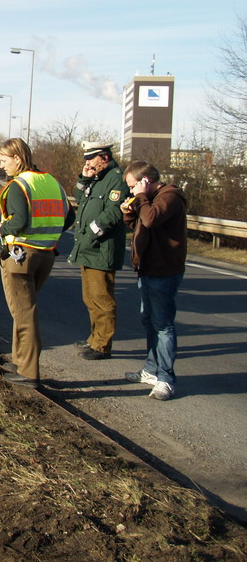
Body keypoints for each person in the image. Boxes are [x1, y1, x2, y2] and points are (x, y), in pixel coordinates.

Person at [0, 138, 73, 387]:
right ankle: (19, 360)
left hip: (19, 257)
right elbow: (70, 216)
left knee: (24, 314)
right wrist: (51, 232)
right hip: (45, 254)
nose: (2, 166)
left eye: (4, 161)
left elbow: (19, 221)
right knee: (23, 310)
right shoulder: (51, 182)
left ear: (17, 158)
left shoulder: (18, 186)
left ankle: (28, 372)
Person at [120, 160, 187, 401]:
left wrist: (140, 199)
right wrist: (129, 210)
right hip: (147, 269)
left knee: (163, 324)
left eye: (132, 185)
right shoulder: (147, 199)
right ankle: (151, 369)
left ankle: (166, 379)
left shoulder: (169, 196)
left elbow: (150, 219)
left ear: (144, 181)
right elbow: (138, 224)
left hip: (164, 270)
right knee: (148, 320)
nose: (130, 190)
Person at [69, 142, 130, 360]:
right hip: (88, 248)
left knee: (102, 299)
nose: (87, 163)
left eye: (90, 159)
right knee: (90, 298)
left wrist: (90, 234)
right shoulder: (98, 178)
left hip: (101, 248)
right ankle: (94, 338)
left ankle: (102, 345)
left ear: (103, 157)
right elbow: (80, 198)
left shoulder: (116, 179)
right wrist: (84, 177)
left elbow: (113, 214)